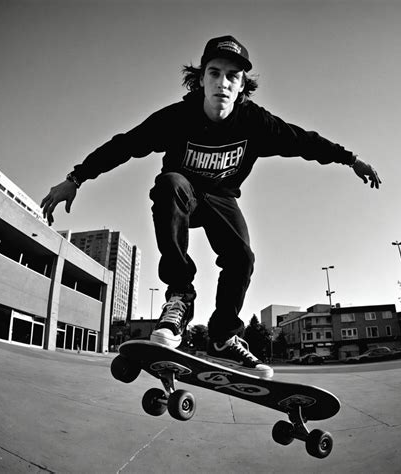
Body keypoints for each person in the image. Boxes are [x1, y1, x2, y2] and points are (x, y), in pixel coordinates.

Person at [41, 35, 381, 379]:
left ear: (242, 84)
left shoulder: (256, 123)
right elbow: (125, 145)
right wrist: (76, 177)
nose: (223, 83)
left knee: (242, 257)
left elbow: (305, 141)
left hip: (221, 199)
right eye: (215, 73)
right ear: (201, 78)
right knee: (170, 183)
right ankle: (179, 297)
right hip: (182, 197)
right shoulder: (176, 118)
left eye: (233, 76)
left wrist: (350, 159)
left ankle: (222, 336)